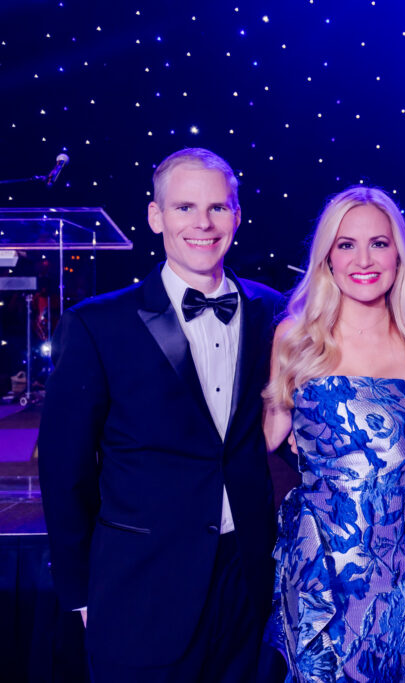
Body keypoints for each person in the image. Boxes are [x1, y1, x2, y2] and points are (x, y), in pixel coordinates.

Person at [37, 148, 285, 682]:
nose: (202, 223)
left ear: (237, 216)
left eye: (218, 208)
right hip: (138, 583)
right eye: (184, 208)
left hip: (247, 578)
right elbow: (65, 471)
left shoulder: (274, 311)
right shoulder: (96, 324)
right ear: (156, 217)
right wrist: (79, 591)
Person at [263, 186, 405, 682]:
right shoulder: (295, 337)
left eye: (379, 243)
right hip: (324, 567)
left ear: (399, 254)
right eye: (346, 244)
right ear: (327, 256)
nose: (363, 259)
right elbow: (266, 438)